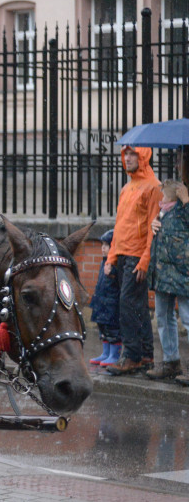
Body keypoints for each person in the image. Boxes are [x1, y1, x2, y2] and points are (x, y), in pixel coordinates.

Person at [105, 145, 163, 376]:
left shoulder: (154, 187)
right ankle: (145, 354)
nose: (127, 158)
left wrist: (144, 260)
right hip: (123, 254)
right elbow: (119, 225)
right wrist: (111, 257)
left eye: (132, 154)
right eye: (125, 154)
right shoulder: (126, 188)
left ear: (143, 157)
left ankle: (131, 356)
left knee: (128, 304)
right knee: (137, 305)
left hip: (137, 255)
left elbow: (152, 228)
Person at [144, 179, 189, 383]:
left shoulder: (183, 209)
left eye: (164, 193)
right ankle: (171, 362)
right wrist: (154, 224)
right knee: (163, 317)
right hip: (163, 275)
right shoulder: (163, 211)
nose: (161, 197)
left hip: (183, 274)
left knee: (187, 319)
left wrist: (186, 201)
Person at [89, 229, 123, 367]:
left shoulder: (116, 264)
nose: (103, 248)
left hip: (111, 303)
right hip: (101, 302)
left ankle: (114, 355)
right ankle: (106, 353)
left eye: (106, 245)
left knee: (113, 330)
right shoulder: (103, 262)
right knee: (102, 328)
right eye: (102, 245)